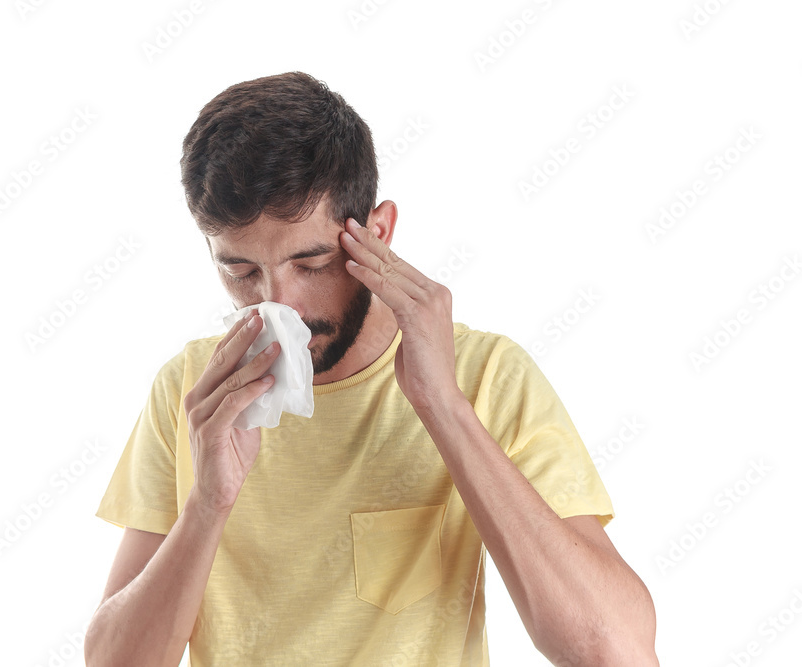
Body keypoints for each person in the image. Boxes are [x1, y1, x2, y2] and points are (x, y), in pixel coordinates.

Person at [83, 71, 659, 667]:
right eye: (241, 271)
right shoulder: (193, 391)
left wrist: (444, 409)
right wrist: (208, 503)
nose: (282, 305)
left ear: (376, 234)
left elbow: (613, 651)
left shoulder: (487, 376)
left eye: (311, 262)